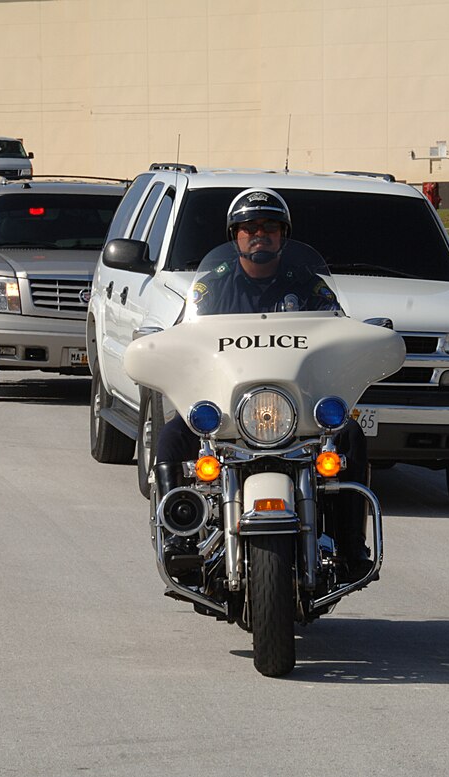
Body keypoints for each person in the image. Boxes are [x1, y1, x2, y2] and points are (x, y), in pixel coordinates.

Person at [154, 187, 373, 583]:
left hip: (296, 413)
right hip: (229, 414)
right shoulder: (212, 288)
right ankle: (179, 541)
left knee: (352, 435)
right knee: (171, 437)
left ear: (283, 235)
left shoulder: (307, 284)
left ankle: (349, 544)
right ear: (234, 235)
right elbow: (181, 337)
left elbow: (338, 331)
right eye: (249, 227)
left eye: (269, 227)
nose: (259, 234)